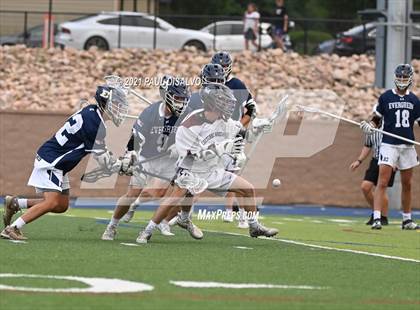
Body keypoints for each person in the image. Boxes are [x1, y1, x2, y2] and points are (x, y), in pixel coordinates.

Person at [136, 84, 279, 244]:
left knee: (248, 189)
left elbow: (246, 136)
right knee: (175, 199)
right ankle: (147, 230)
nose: (229, 106)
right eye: (224, 102)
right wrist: (220, 148)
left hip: (212, 170)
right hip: (190, 171)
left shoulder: (223, 121)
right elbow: (192, 156)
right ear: (212, 103)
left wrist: (258, 129)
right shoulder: (190, 124)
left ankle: (254, 226)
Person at [1, 84, 129, 240]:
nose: (119, 107)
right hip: (52, 161)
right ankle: (13, 228)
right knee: (51, 201)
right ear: (105, 102)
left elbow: (99, 149)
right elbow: (101, 159)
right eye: (116, 103)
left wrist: (117, 163)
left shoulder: (92, 114)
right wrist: (121, 166)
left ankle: (15, 203)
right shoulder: (94, 122)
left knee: (61, 205)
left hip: (59, 164)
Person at [101, 75, 191, 240]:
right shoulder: (150, 113)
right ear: (166, 95)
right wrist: (132, 154)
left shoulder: (185, 116)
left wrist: (179, 148)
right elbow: (135, 138)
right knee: (131, 194)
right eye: (178, 98)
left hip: (168, 160)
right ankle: (112, 226)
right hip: (147, 156)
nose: (182, 103)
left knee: (161, 192)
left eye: (184, 99)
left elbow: (192, 136)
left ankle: (148, 218)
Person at [360, 64, 420, 230]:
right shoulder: (386, 97)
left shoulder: (414, 100)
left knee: (407, 183)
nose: (402, 80)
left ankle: (407, 220)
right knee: (382, 181)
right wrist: (370, 125)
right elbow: (376, 119)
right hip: (389, 145)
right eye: (399, 77)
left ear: (410, 79)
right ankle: (378, 217)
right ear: (395, 78)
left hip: (407, 145)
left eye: (404, 77)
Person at [211, 51, 257, 228]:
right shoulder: (209, 84)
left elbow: (250, 111)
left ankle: (240, 215)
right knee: (199, 170)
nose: (221, 71)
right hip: (212, 135)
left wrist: (237, 127)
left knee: (234, 174)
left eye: (223, 67)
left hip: (232, 136)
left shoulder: (237, 85)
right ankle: (185, 214)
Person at [349, 128, 395, 225]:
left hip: (389, 161)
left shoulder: (391, 125)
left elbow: (399, 146)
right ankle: (377, 212)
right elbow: (367, 145)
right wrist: (359, 161)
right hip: (376, 160)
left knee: (382, 187)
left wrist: (396, 162)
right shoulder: (371, 128)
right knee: (365, 187)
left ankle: (383, 217)